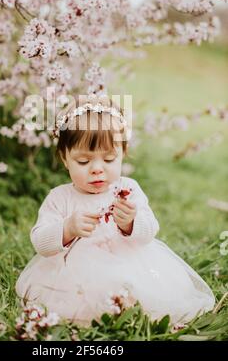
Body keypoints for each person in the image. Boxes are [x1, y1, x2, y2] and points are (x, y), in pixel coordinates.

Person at [16, 95, 215, 327]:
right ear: (65, 159)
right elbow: (40, 241)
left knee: (142, 288)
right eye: (83, 161)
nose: (97, 170)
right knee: (75, 299)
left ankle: (127, 307)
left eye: (109, 159)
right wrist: (67, 229)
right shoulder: (60, 198)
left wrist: (131, 223)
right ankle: (102, 310)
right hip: (76, 272)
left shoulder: (128, 189)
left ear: (123, 152)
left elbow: (151, 229)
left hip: (128, 261)